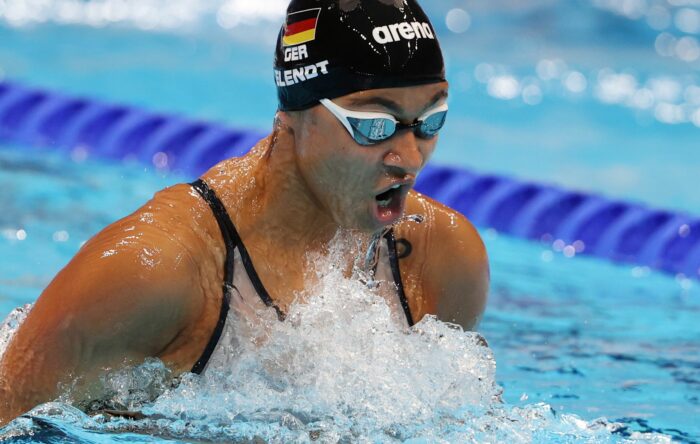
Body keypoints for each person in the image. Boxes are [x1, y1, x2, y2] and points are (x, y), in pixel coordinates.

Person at [0, 0, 489, 425]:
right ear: (295, 115)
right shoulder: (156, 269)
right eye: (374, 126)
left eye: (430, 121)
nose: (410, 158)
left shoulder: (439, 256)